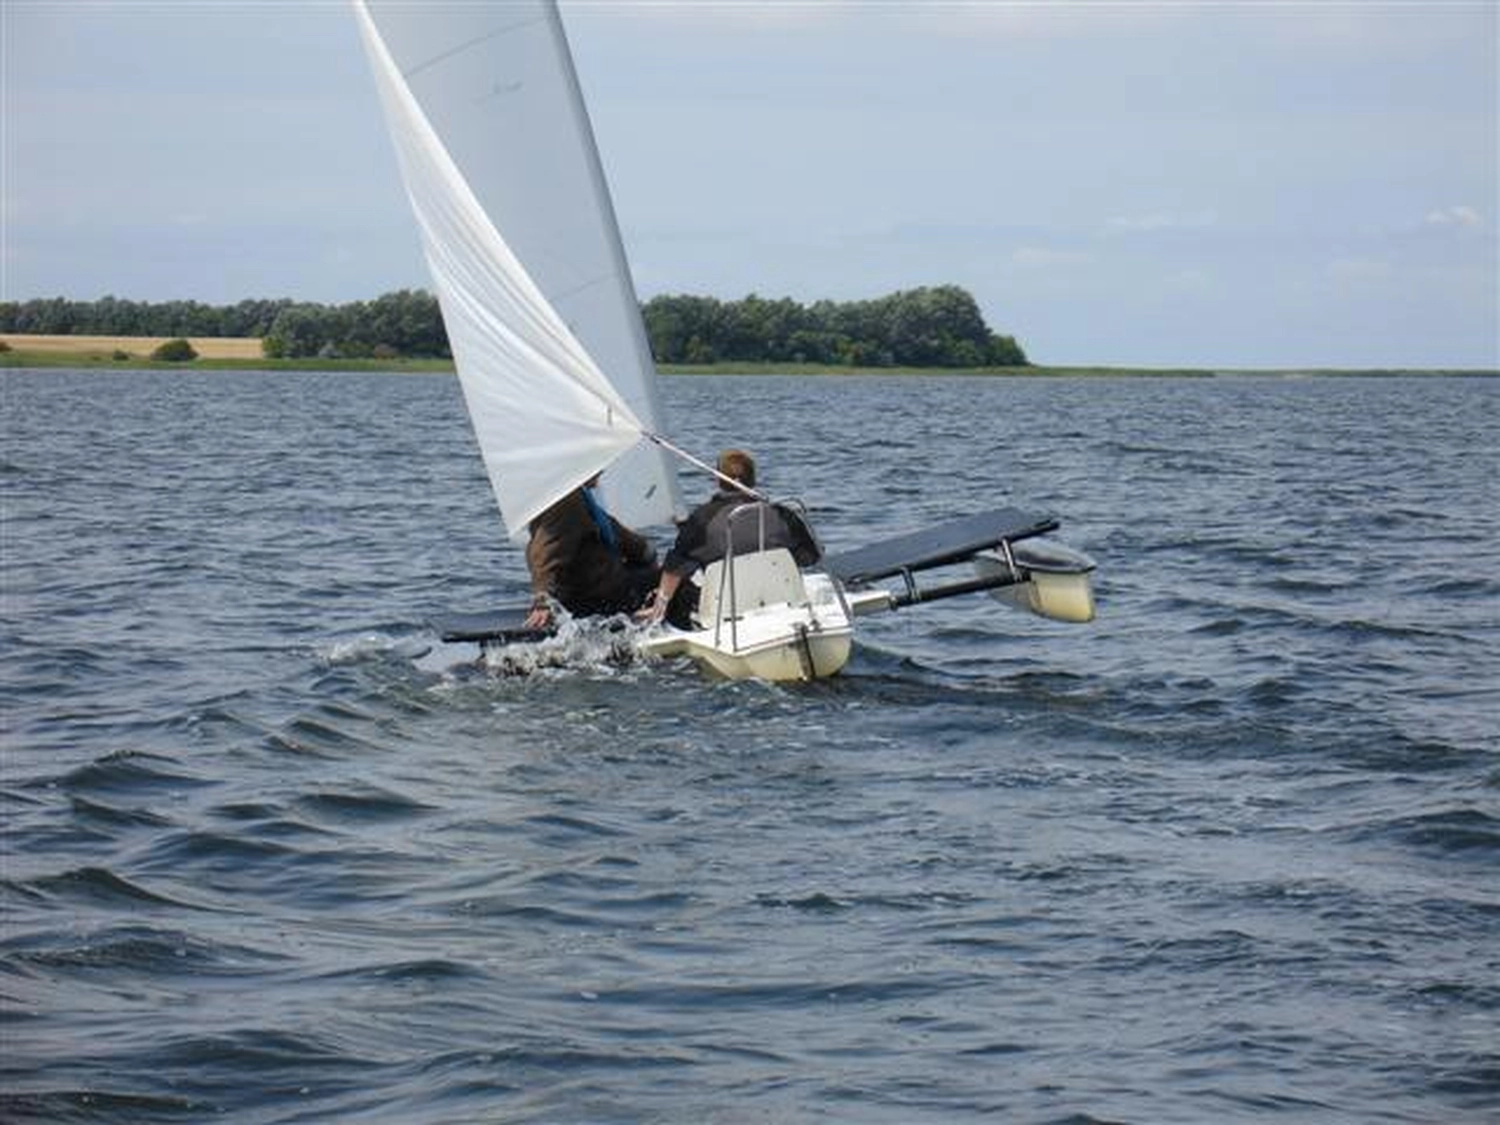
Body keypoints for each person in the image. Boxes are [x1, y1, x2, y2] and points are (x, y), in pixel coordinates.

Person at [638, 448, 818, 627]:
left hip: (724, 612)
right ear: (754, 479)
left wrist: (658, 609)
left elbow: (675, 568)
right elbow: (811, 556)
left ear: (718, 480)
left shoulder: (701, 520)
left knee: (681, 587)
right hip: (780, 602)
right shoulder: (782, 514)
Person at [523, 475, 659, 630]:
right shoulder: (566, 502)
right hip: (594, 596)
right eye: (597, 469)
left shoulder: (580, 498)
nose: (601, 472)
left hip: (602, 584)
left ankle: (646, 616)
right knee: (678, 582)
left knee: (658, 572)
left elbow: (616, 533)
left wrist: (646, 550)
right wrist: (543, 602)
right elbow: (544, 553)